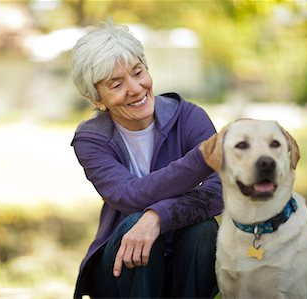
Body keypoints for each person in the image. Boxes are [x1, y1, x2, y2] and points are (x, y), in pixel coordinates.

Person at [70, 19, 223, 299]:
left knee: (203, 228)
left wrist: (158, 217)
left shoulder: (189, 117)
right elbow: (129, 195)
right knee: (132, 223)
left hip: (184, 256)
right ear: (97, 100)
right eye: (116, 84)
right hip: (120, 266)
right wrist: (202, 158)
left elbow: (222, 188)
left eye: (138, 72)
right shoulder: (91, 139)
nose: (136, 89)